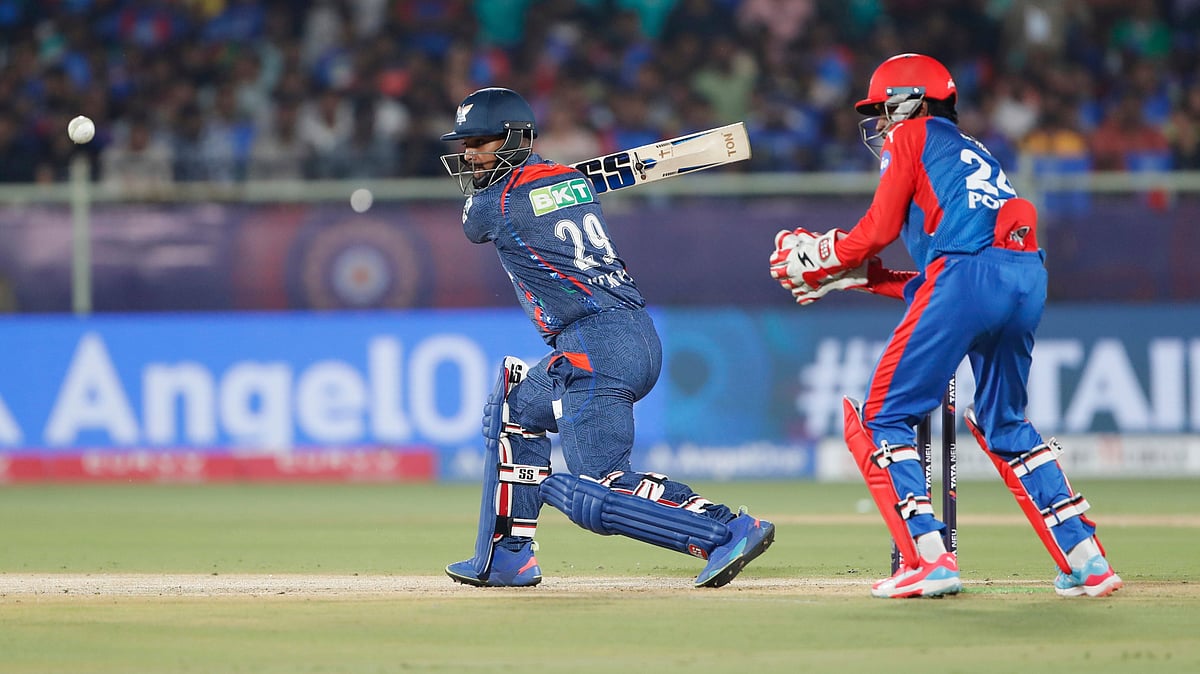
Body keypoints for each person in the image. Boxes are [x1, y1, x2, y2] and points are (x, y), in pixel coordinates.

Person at [768, 54, 1122, 599]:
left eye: (884, 110)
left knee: (885, 413)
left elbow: (880, 233)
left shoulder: (911, 137)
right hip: (1025, 278)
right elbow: (946, 279)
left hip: (967, 278)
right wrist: (856, 279)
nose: (881, 125)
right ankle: (1088, 559)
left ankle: (928, 557)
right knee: (1005, 424)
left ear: (912, 102)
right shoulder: (970, 153)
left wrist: (823, 254)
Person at [439, 87, 774, 588]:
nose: (468, 155)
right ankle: (509, 555)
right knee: (514, 411)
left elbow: (473, 225)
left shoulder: (495, 203)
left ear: (513, 140)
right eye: (464, 143)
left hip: (596, 345)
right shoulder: (569, 181)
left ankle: (725, 529)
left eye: (480, 142)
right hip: (625, 333)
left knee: (599, 487)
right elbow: (548, 184)